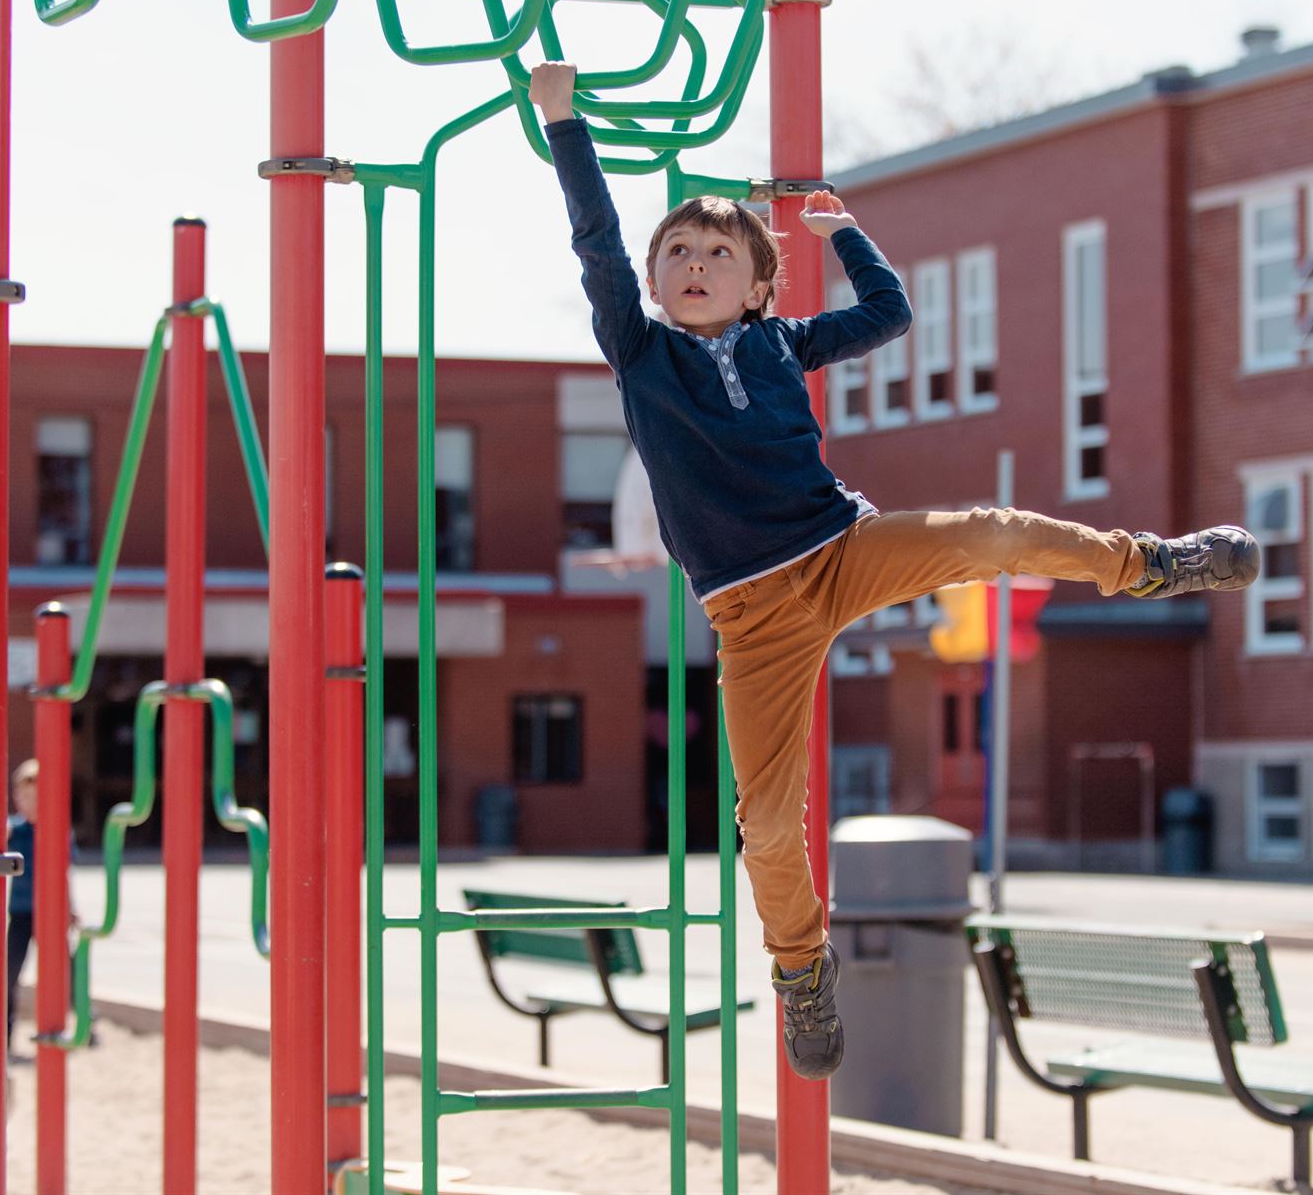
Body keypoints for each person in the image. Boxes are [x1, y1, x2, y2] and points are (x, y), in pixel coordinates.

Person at [529, 60, 1261, 1081]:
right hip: (752, 616)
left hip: (842, 549)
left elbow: (889, 314)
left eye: (713, 252)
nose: (691, 265)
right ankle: (799, 970)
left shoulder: (785, 343)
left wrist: (840, 233)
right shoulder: (641, 354)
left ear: (755, 283)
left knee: (993, 532)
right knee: (767, 821)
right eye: (675, 255)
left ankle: (1148, 566)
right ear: (652, 284)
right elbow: (595, 241)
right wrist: (563, 121)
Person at [4, 758, 73, 1060]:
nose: (29, 803)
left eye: (36, 797)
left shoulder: (56, 829)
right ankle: (4, 1036)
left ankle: (71, 1022)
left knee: (62, 968)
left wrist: (69, 907)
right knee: (9, 973)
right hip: (20, 910)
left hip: (50, 910)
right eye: (24, 796)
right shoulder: (12, 831)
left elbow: (63, 871)